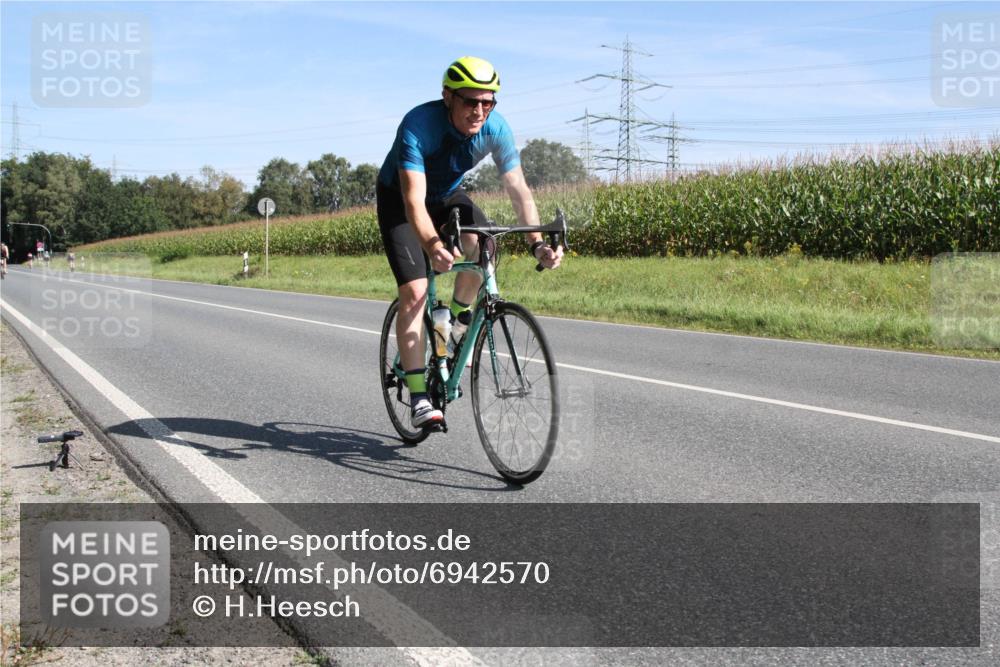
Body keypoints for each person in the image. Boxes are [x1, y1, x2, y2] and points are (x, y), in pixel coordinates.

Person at [377, 56, 563, 429]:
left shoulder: (496, 129)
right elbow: (414, 201)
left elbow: (519, 191)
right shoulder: (418, 125)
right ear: (448, 96)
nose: (479, 110)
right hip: (401, 199)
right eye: (470, 101)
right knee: (414, 292)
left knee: (486, 245)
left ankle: (456, 324)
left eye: (488, 102)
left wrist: (538, 243)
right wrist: (432, 245)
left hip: (446, 194)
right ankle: (418, 396)